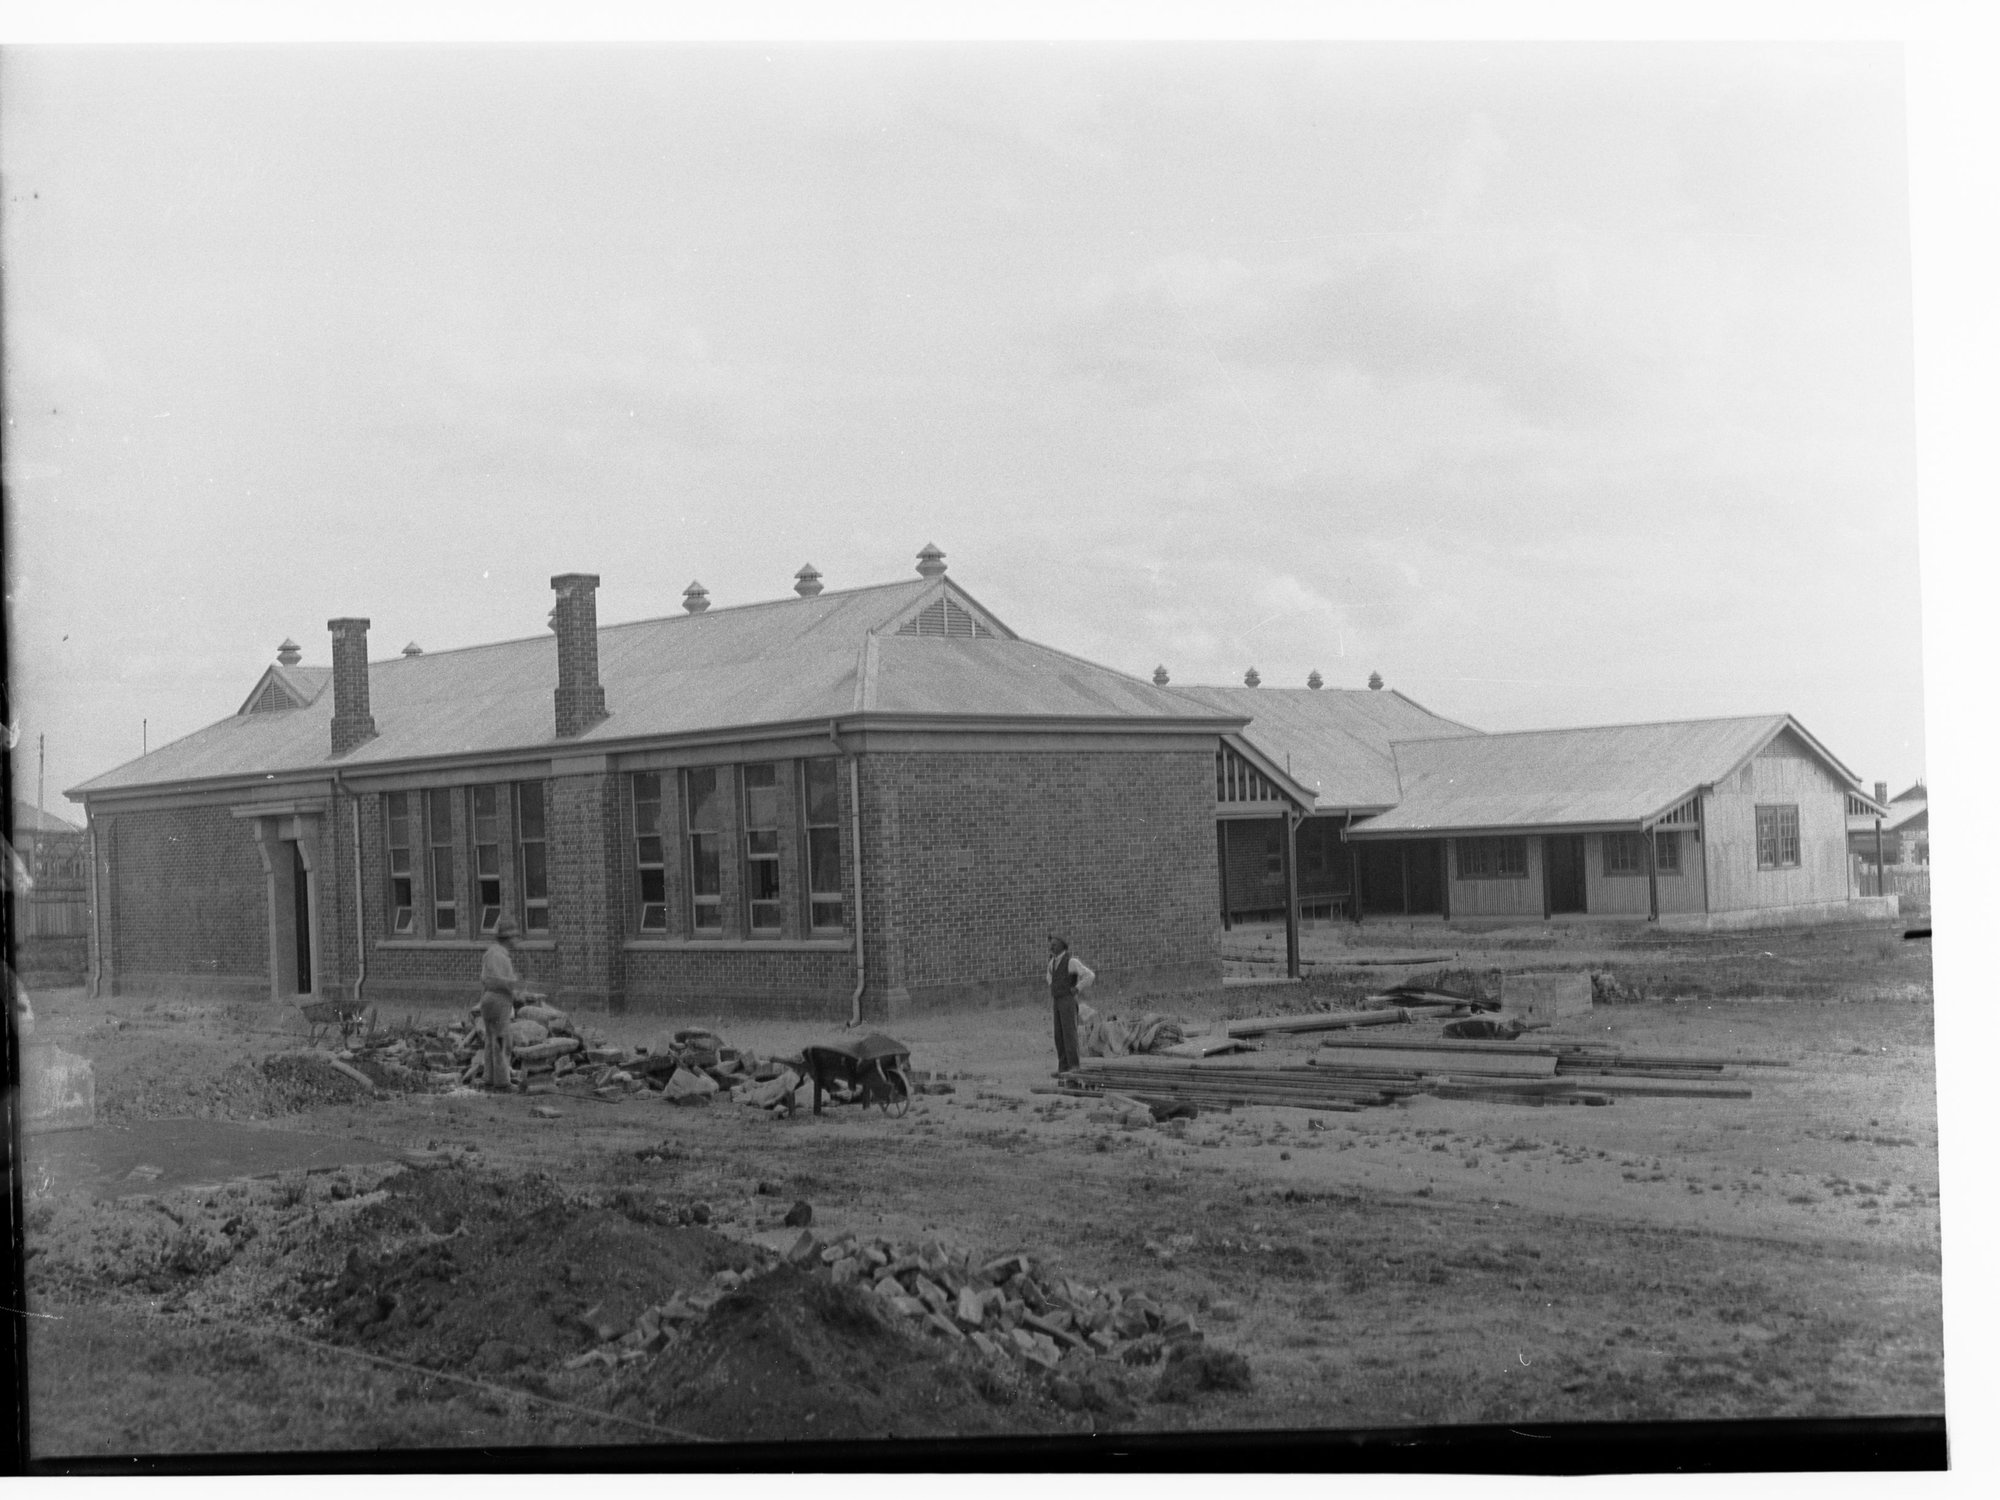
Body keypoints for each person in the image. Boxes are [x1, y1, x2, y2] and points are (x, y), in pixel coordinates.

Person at [479, 916, 529, 1092]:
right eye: (515, 937)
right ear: (508, 937)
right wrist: (517, 991)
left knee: (491, 1039)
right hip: (499, 1000)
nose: (517, 941)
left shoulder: (491, 952)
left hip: (487, 999)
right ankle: (502, 1082)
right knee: (502, 1039)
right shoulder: (501, 956)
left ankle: (489, 1078)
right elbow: (503, 982)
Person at [1046, 935, 1095, 1076]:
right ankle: (1063, 1067)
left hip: (1068, 1000)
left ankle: (1074, 1066)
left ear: (1062, 946)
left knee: (1069, 1033)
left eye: (1054, 945)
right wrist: (1055, 988)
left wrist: (1077, 988)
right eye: (1051, 945)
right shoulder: (1052, 963)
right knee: (1058, 1034)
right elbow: (1049, 977)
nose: (1051, 947)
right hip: (1057, 1001)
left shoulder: (1071, 962)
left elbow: (1090, 975)